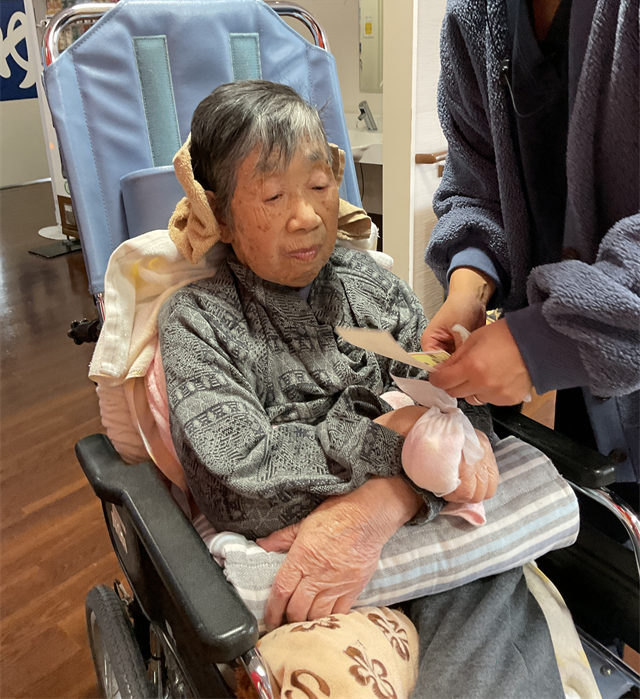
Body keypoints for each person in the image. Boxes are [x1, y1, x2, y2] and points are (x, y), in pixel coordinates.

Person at [159, 80, 563, 699]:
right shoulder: (200, 319)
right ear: (218, 215)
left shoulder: (369, 287)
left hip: (436, 548)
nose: (307, 216)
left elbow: (464, 425)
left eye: (320, 186)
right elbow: (237, 486)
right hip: (309, 577)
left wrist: (394, 492)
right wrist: (392, 444)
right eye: (273, 194)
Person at [314, 0, 640, 494]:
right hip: (599, 374)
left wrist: (546, 343)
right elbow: (475, 178)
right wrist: (470, 285)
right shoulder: (479, 13)